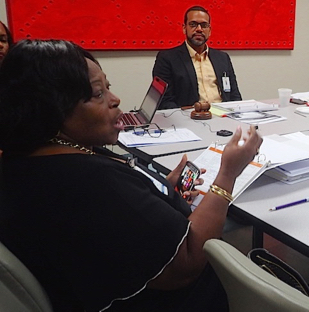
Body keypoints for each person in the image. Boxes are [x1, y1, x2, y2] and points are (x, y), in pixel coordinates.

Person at [0, 40, 262, 311]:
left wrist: (160, 188)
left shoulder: (24, 159)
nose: (115, 100)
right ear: (53, 107)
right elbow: (187, 262)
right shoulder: (92, 182)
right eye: (98, 94)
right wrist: (227, 174)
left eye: (108, 88)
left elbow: (118, 218)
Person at [152, 5, 242, 109]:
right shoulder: (167, 58)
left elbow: (235, 96)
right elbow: (165, 101)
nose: (199, 29)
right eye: (193, 24)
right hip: (189, 119)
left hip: (223, 116)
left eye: (204, 25)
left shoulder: (222, 58)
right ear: (184, 28)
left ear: (209, 30)